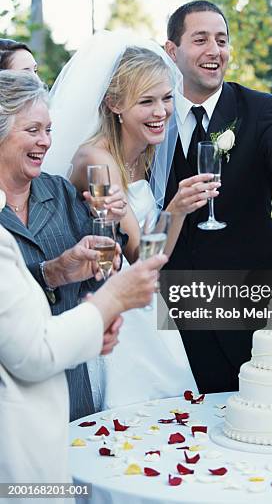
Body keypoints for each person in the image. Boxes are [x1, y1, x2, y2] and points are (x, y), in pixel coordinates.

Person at [43, 31, 219, 408]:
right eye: (147, 102)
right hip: (117, 314)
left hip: (146, 303)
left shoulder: (145, 154)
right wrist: (175, 210)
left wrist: (179, 210)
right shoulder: (97, 160)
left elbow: (154, 257)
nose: (161, 112)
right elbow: (136, 256)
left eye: (167, 99)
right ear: (114, 104)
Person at [163, 0, 272, 394]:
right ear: (171, 51)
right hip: (176, 307)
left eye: (221, 40)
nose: (214, 50)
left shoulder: (263, 108)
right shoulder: (154, 111)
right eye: (200, 39)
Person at [0, 206, 166, 486]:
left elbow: (18, 321)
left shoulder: (59, 194)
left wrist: (60, 279)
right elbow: (35, 351)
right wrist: (109, 302)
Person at [0, 70, 127, 420]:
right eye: (32, 130)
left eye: (48, 130)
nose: (45, 141)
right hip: (13, 400)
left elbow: (98, 276)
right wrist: (51, 272)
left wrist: (109, 227)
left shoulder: (60, 192)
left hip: (73, 389)